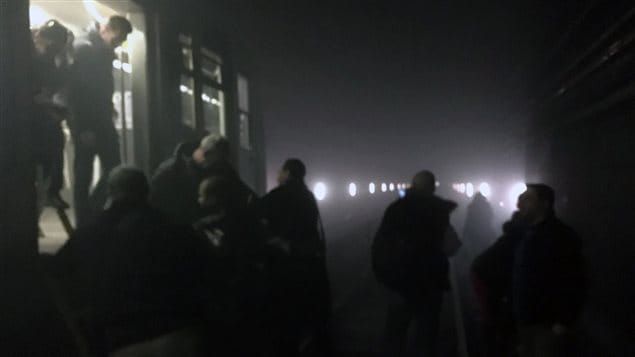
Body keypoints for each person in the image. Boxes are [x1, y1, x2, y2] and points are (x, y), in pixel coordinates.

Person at [53, 167, 213, 356]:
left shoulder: (89, 233)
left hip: (116, 338)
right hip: (177, 334)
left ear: (110, 193)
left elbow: (60, 274)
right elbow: (208, 273)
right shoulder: (176, 230)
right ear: (147, 191)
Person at [373, 170, 457, 356]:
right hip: (431, 284)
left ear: (413, 185)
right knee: (426, 339)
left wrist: (384, 276)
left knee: (394, 337)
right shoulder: (440, 211)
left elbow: (380, 245)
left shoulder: (396, 209)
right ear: (433, 187)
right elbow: (451, 246)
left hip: (401, 282)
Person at [258, 158, 332, 356]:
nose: (277, 175)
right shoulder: (308, 196)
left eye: (280, 171)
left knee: (284, 320)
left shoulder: (277, 196)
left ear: (288, 173)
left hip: (284, 265)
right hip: (307, 262)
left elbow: (257, 217)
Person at [193, 176, 270, 357]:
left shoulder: (202, 227)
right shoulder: (250, 222)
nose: (199, 200)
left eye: (202, 196)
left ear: (214, 198)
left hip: (220, 299)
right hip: (251, 295)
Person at [68, 15, 133, 225]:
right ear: (106, 29)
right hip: (90, 121)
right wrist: (84, 127)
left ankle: (88, 218)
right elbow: (79, 92)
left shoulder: (96, 49)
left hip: (99, 119)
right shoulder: (87, 49)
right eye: (119, 37)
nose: (119, 42)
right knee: (90, 173)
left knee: (99, 171)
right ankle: (87, 220)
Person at [512, 184, 585, 357]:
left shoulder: (561, 237)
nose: (520, 204)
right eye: (520, 199)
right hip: (525, 321)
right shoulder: (526, 233)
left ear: (544, 204)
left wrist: (563, 320)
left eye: (527, 199)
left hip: (547, 324)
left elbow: (576, 279)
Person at [150, 134, 256, 225]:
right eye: (218, 161)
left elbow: (240, 192)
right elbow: (158, 203)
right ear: (206, 154)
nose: (219, 164)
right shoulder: (171, 171)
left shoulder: (221, 168)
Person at [471, 211, 526, 356]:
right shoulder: (518, 239)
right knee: (493, 315)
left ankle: (494, 344)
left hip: (485, 274)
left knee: (494, 314)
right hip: (488, 277)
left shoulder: (512, 236)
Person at [32, 19, 72, 209]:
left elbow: (55, 81)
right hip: (32, 117)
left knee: (54, 146)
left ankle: (50, 191)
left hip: (44, 116)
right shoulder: (28, 57)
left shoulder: (50, 59)